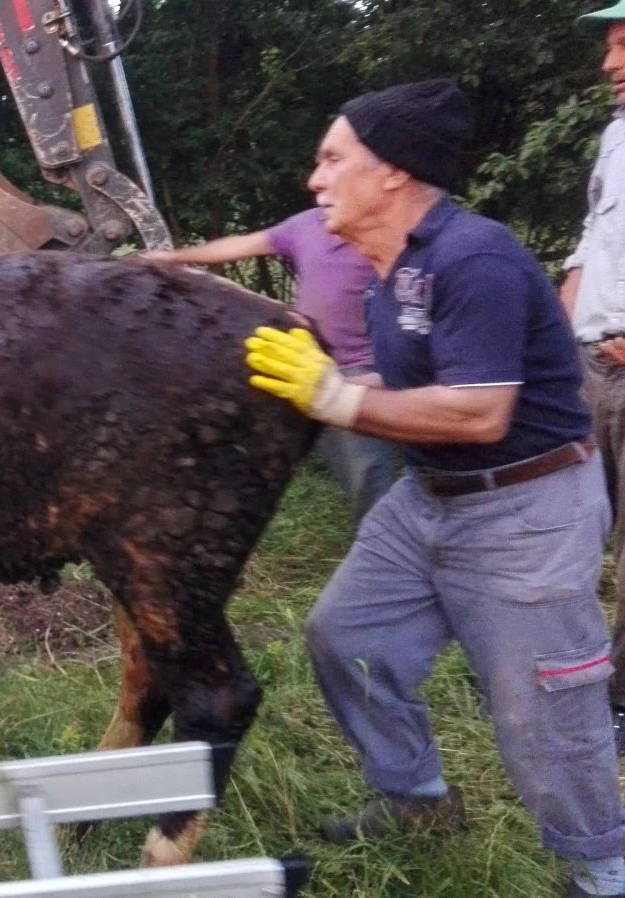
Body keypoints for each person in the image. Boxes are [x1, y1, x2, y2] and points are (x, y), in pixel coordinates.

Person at [244, 80, 625, 898]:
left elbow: (483, 410)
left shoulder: (471, 257)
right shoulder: (393, 267)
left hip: (525, 505)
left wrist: (336, 398)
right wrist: (329, 385)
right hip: (431, 498)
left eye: (331, 158)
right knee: (348, 638)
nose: (315, 180)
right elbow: (422, 377)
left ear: (391, 173)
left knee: (542, 713)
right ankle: (417, 801)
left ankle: (601, 868)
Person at [146, 208, 396, 523]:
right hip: (301, 366)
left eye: (334, 163)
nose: (319, 182)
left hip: (356, 373)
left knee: (367, 478)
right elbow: (243, 245)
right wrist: (174, 260)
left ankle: (390, 548)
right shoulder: (307, 224)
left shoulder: (385, 228)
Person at [564, 1, 625, 742]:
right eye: (609, 47)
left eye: (624, 46)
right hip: (588, 366)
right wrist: (553, 330)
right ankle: (572, 678)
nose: (610, 63)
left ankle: (619, 703)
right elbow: (593, 241)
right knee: (572, 527)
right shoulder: (616, 136)